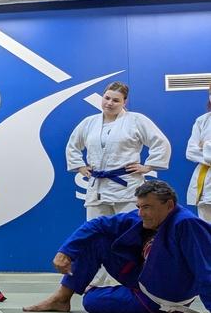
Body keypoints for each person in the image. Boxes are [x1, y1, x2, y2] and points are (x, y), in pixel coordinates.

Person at [24, 181, 211, 313]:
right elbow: (98, 224)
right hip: (145, 278)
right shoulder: (142, 218)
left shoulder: (187, 225)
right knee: (97, 239)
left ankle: (94, 291)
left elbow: (206, 269)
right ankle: (61, 298)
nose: (141, 213)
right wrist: (65, 251)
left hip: (161, 298)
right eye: (139, 207)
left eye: (147, 207)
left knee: (91, 301)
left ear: (169, 205)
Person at [66, 81, 170, 220]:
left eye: (116, 100)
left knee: (129, 233)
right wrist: (79, 166)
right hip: (97, 188)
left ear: (124, 102)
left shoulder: (136, 120)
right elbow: (72, 146)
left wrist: (148, 166)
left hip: (126, 187)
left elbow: (160, 142)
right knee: (96, 234)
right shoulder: (89, 122)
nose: (109, 103)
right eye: (107, 98)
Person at [186, 83, 211, 223]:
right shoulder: (202, 121)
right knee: (207, 230)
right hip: (206, 182)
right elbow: (190, 152)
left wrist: (205, 146)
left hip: (205, 167)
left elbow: (198, 151)